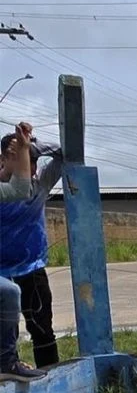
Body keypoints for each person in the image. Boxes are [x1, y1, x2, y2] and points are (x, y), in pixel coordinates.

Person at [0, 121, 63, 371]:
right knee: (6, 331)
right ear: (2, 159)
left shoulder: (40, 185)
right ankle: (9, 370)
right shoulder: (4, 190)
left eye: (33, 160)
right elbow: (17, 187)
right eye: (19, 157)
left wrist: (31, 146)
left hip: (31, 268)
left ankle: (51, 376)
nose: (30, 165)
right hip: (1, 273)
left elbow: (63, 153)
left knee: (42, 328)